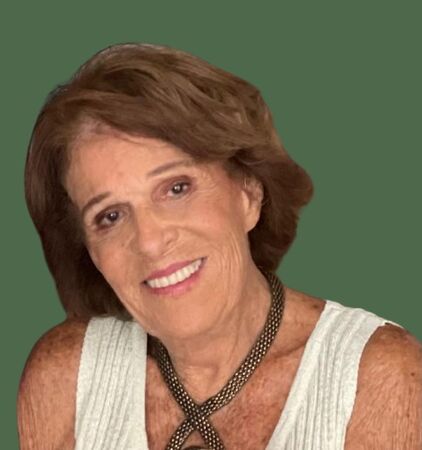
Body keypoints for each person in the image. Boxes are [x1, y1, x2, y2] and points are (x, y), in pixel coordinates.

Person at [17, 43, 422, 450]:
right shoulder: (65, 377)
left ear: (249, 191)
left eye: (177, 188)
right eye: (110, 216)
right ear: (87, 250)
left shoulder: (380, 379)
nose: (150, 241)